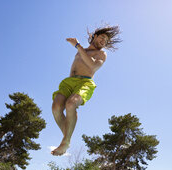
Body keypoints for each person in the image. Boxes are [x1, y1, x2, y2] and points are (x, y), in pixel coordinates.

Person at [51, 25, 121, 156]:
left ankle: (65, 141)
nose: (104, 41)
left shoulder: (101, 54)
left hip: (85, 82)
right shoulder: (81, 51)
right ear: (94, 36)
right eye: (102, 37)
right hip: (69, 81)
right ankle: (67, 138)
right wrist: (78, 47)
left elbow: (93, 66)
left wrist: (77, 45)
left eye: (106, 41)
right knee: (56, 107)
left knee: (71, 104)